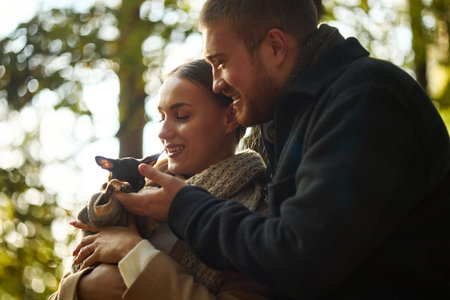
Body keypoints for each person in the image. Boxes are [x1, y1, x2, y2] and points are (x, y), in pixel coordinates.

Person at [113, 0, 450, 299]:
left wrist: (184, 206)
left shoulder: (367, 99)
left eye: (221, 62)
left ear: (275, 46)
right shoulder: (284, 123)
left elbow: (302, 259)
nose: (217, 82)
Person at [49, 59, 272, 300]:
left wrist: (132, 251)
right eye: (162, 117)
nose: (162, 133)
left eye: (182, 116)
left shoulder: (258, 219)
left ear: (230, 117)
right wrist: (81, 288)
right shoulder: (134, 191)